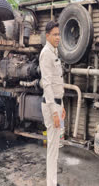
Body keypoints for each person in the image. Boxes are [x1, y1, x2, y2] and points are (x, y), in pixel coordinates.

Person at [39, 21, 65, 186]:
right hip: (51, 107)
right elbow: (47, 84)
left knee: (56, 147)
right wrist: (55, 112)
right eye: (54, 34)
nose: (58, 37)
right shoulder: (46, 53)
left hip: (57, 104)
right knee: (52, 148)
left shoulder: (54, 52)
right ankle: (51, 183)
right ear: (47, 36)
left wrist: (62, 107)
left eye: (59, 34)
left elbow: (58, 83)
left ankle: (53, 181)